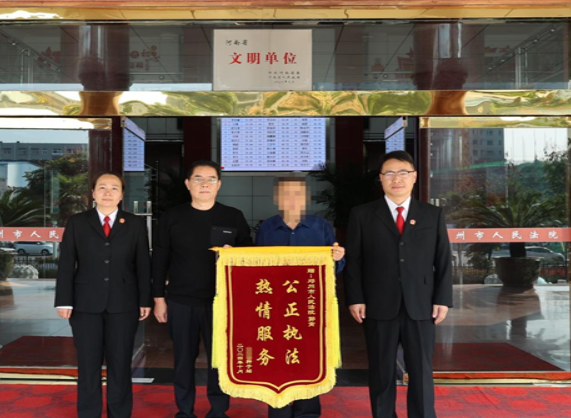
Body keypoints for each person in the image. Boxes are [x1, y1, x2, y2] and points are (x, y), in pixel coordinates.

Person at [344, 151, 452, 418]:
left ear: (414, 177)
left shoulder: (432, 214)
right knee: (381, 371)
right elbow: (354, 261)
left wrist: (442, 299)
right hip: (378, 304)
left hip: (421, 304)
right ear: (381, 179)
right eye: (389, 173)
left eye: (403, 173)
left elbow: (443, 259)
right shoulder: (362, 215)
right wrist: (355, 298)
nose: (397, 179)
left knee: (421, 371)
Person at [152, 159, 253, 418]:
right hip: (180, 300)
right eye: (198, 179)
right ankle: (184, 411)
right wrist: (159, 298)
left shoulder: (233, 216)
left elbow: (250, 255)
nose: (204, 184)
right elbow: (160, 260)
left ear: (219, 185)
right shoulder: (172, 217)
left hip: (221, 301)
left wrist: (235, 253)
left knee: (219, 360)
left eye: (211, 179)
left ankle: (218, 411)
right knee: (183, 360)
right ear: (188, 184)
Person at [55, 172, 152, 418]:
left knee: (120, 363)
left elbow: (143, 263)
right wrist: (64, 300)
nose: (108, 192)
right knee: (88, 364)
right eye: (102, 187)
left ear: (121, 195)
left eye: (114, 188)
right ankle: (89, 413)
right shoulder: (77, 222)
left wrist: (144, 299)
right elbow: (66, 263)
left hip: (124, 303)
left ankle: (120, 413)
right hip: (84, 304)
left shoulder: (135, 223)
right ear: (93, 193)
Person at [256, 176, 345, 418]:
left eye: (297, 193)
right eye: (286, 194)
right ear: (276, 198)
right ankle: (279, 409)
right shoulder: (266, 229)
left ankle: (307, 412)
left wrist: (338, 258)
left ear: (305, 198)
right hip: (275, 307)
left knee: (308, 358)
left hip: (310, 307)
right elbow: (256, 268)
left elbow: (335, 267)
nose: (292, 199)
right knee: (277, 359)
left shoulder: (321, 227)